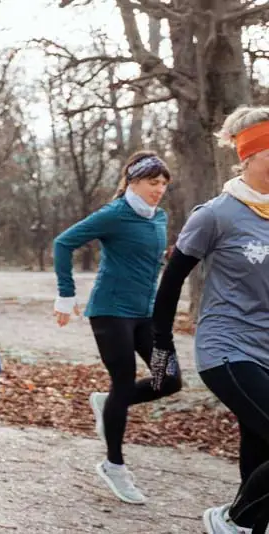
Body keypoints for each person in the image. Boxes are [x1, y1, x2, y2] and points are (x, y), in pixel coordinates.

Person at [152, 105, 269, 533]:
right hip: (227, 349)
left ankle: (249, 525)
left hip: (266, 348)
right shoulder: (216, 214)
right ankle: (229, 520)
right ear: (250, 156)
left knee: (259, 446)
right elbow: (171, 283)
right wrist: (161, 351)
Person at [52, 151, 182, 505]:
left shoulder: (159, 217)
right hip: (110, 312)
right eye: (153, 182)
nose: (159, 190)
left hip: (146, 315)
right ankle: (114, 466)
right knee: (123, 381)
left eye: (163, 184)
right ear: (133, 182)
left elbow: (147, 259)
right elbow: (63, 243)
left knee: (168, 378)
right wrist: (66, 295)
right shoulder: (114, 214)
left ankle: (109, 403)